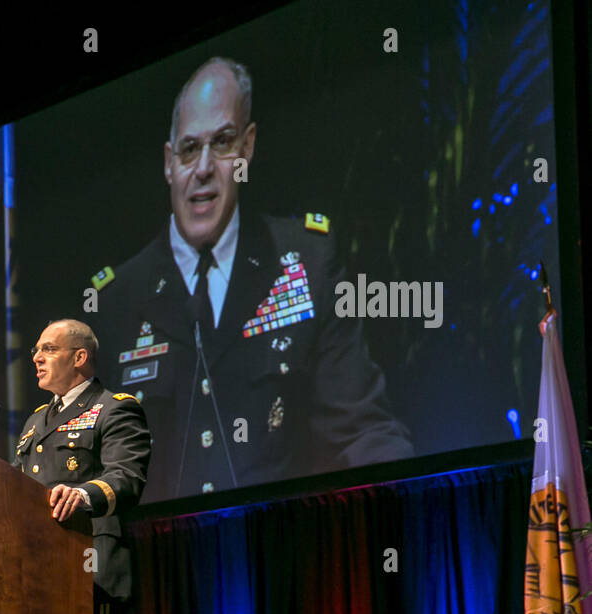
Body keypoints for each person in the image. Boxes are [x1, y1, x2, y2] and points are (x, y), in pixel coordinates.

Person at [90, 56, 413, 503]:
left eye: (221, 143)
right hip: (162, 567)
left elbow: (362, 433)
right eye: (188, 149)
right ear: (169, 163)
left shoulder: (305, 264)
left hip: (286, 556)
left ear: (247, 147)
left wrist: (409, 503)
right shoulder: (117, 301)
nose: (202, 168)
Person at [14, 318, 152, 603]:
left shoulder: (114, 407)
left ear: (79, 357)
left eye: (49, 349)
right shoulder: (35, 419)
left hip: (88, 558)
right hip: (32, 565)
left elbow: (126, 477)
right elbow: (14, 483)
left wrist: (81, 495)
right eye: (36, 351)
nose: (37, 358)